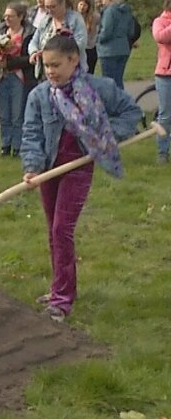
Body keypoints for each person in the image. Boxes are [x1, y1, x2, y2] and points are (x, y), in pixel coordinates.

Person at [19, 33, 141, 322]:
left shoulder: (98, 88)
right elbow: (32, 134)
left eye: (56, 65)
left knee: (62, 230)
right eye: (46, 65)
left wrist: (104, 138)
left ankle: (61, 301)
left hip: (78, 167)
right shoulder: (40, 96)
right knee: (53, 230)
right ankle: (60, 286)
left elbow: (131, 111)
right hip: (49, 169)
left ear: (74, 60)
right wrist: (33, 168)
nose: (50, 71)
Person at [0, 1, 37, 157]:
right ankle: (5, 145)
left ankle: (18, 146)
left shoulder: (29, 33)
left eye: (10, 16)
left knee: (18, 114)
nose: (7, 19)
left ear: (20, 17)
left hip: (20, 77)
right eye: (5, 16)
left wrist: (9, 63)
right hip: (2, 77)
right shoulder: (1, 31)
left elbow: (30, 58)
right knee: (4, 114)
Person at [28, 0, 87, 78]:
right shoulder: (45, 21)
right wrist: (34, 53)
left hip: (70, 73)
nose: (49, 10)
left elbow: (81, 44)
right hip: (46, 74)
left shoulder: (76, 20)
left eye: (53, 7)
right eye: (47, 7)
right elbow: (34, 41)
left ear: (63, 4)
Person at [96, 0, 136, 89]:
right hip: (123, 49)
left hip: (108, 51)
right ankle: (121, 98)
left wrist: (97, 39)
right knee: (118, 81)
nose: (102, 2)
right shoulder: (127, 11)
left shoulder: (110, 11)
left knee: (108, 82)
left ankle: (111, 99)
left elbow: (106, 31)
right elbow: (131, 31)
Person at [151, 0, 171, 164]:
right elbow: (160, 37)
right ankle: (162, 152)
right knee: (165, 115)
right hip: (165, 75)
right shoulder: (160, 21)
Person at [77, 0, 100, 74]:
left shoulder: (94, 17)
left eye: (84, 5)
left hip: (90, 48)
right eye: (80, 4)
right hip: (78, 49)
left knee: (89, 72)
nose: (82, 7)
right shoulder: (74, 17)